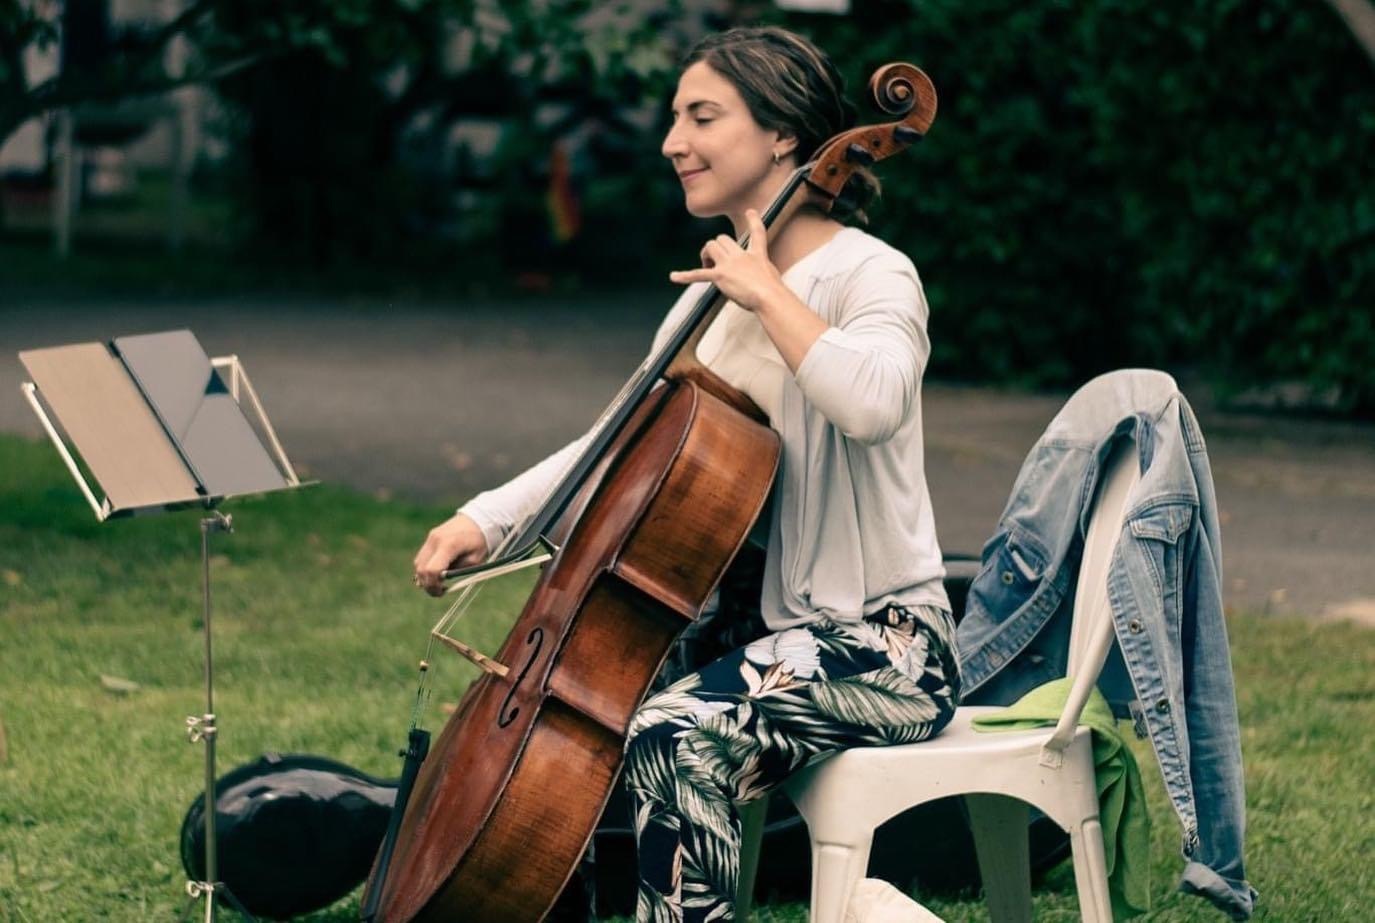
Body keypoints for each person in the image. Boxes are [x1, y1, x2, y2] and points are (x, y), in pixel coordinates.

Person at [412, 26, 959, 922]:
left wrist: (765, 292)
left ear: (783, 133)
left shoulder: (872, 273)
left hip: (884, 643)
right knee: (579, 726)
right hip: (751, 636)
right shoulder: (703, 298)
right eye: (674, 117)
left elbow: (873, 400)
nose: (672, 141)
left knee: (679, 730)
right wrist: (489, 520)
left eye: (702, 116)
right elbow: (617, 442)